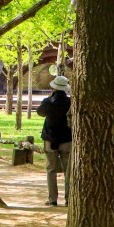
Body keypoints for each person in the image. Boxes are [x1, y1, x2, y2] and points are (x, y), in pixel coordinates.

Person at [37, 75, 72, 206]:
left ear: (54, 87)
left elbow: (40, 112)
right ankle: (69, 198)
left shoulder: (48, 101)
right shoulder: (70, 102)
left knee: (51, 170)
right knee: (68, 170)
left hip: (50, 139)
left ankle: (52, 199)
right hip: (67, 139)